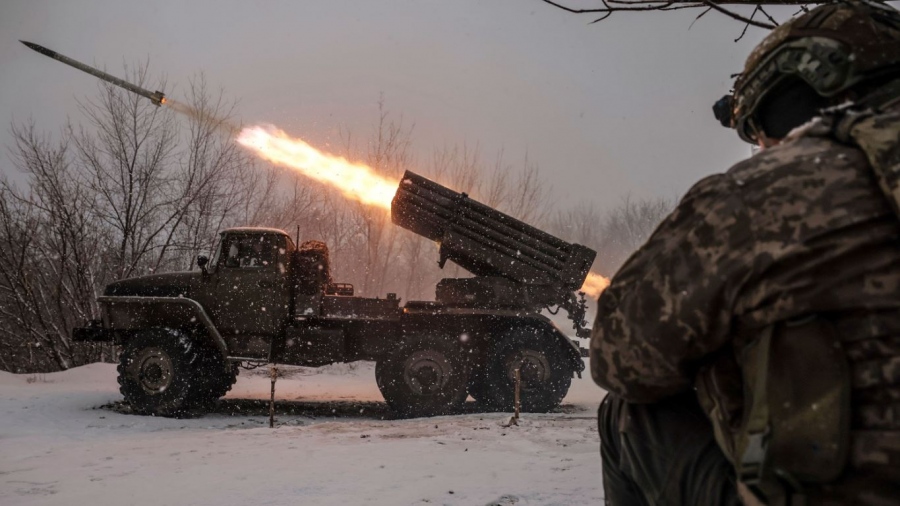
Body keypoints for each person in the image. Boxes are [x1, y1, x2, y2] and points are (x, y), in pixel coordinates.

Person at [592, 2, 900, 505]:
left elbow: (620, 357)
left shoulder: (765, 194)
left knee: (628, 412)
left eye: (759, 133)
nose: (761, 149)